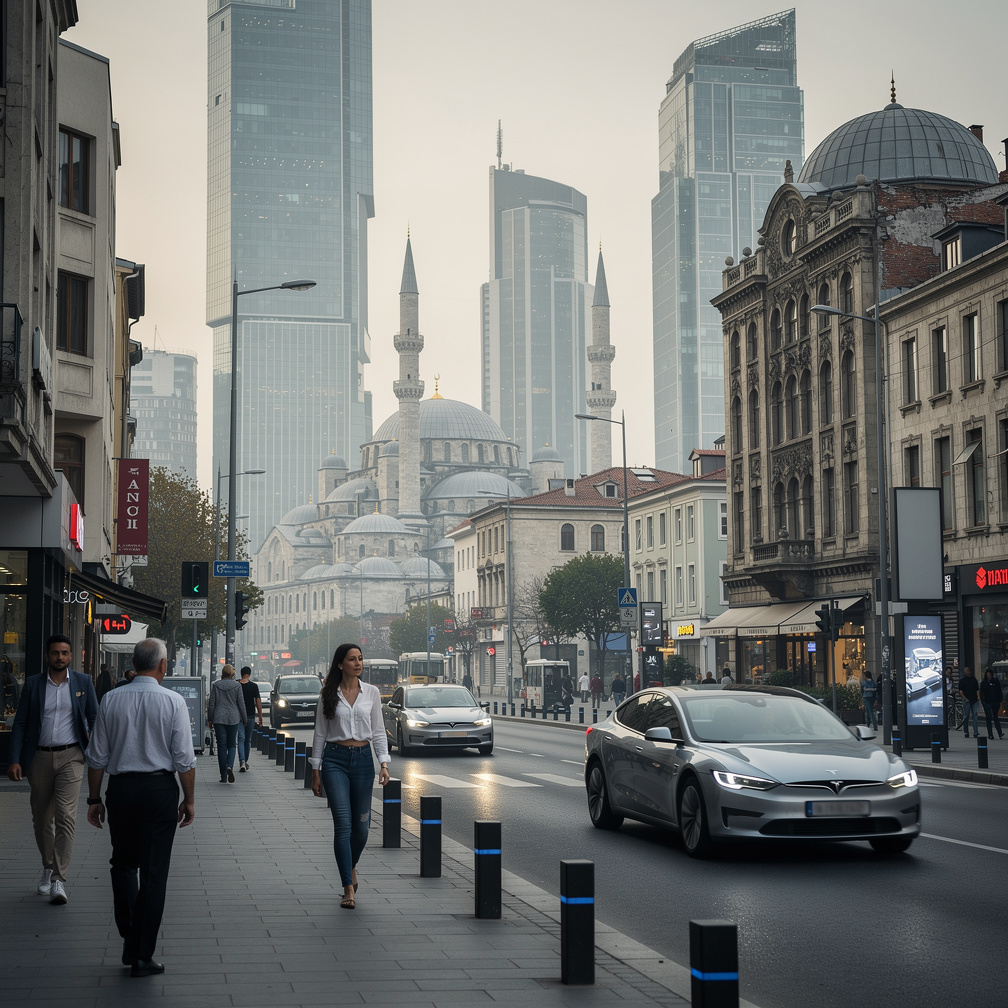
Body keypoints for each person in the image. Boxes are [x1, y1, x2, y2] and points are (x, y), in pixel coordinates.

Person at [85, 637, 196, 978]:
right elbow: (184, 759)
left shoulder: (111, 699)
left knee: (122, 863)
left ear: (133, 663)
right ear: (162, 665)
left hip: (121, 790)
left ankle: (128, 929)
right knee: (154, 873)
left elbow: (96, 756)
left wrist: (94, 798)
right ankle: (141, 952)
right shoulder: (174, 702)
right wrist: (188, 799)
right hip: (158, 791)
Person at [6, 634, 98, 905]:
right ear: (47, 656)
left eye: (65, 653)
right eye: (56, 653)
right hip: (39, 758)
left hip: (72, 756)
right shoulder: (34, 684)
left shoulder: (83, 682)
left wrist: (95, 752)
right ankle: (48, 866)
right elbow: (20, 723)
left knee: (66, 817)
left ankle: (59, 879)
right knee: (42, 818)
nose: (60, 657)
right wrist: (15, 759)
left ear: (71, 656)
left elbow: (94, 717)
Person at [311, 643, 390, 910]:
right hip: (335, 761)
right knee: (343, 825)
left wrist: (384, 763)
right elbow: (320, 733)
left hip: (363, 762)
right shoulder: (328, 695)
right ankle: (347, 886)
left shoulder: (372, 692)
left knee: (362, 829)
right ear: (340, 664)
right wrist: (315, 771)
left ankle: (351, 865)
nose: (358, 663)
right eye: (352, 659)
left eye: (360, 659)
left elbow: (378, 731)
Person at [207, 664, 246, 783]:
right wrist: (244, 718)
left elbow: (211, 703)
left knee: (221, 746)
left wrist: (210, 719)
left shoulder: (216, 685)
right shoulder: (237, 685)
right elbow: (241, 703)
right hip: (233, 718)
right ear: (232, 674)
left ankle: (223, 775)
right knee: (232, 745)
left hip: (219, 718)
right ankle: (230, 765)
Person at [237, 666, 263, 771]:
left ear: (241, 673)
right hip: (250, 715)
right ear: (249, 674)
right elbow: (258, 702)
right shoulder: (253, 686)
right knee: (247, 740)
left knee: (240, 739)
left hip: (238, 715)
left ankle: (242, 760)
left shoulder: (237, 685)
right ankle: (245, 761)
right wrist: (260, 717)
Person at [979, 668, 1004, 740]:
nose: (989, 676)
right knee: (988, 718)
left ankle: (1000, 733)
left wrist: (1000, 700)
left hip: (995, 701)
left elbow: (999, 690)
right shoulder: (984, 683)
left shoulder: (995, 681)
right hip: (987, 702)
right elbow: (982, 693)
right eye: (988, 675)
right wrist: (983, 701)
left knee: (995, 717)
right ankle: (990, 734)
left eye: (990, 675)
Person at [959, 666, 980, 738]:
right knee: (966, 716)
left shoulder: (974, 680)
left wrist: (978, 697)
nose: (968, 672)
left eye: (969, 670)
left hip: (974, 700)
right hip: (967, 700)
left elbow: (977, 689)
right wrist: (965, 698)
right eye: (967, 670)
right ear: (964, 672)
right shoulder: (962, 681)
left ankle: (976, 732)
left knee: (975, 716)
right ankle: (966, 732)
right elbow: (961, 691)